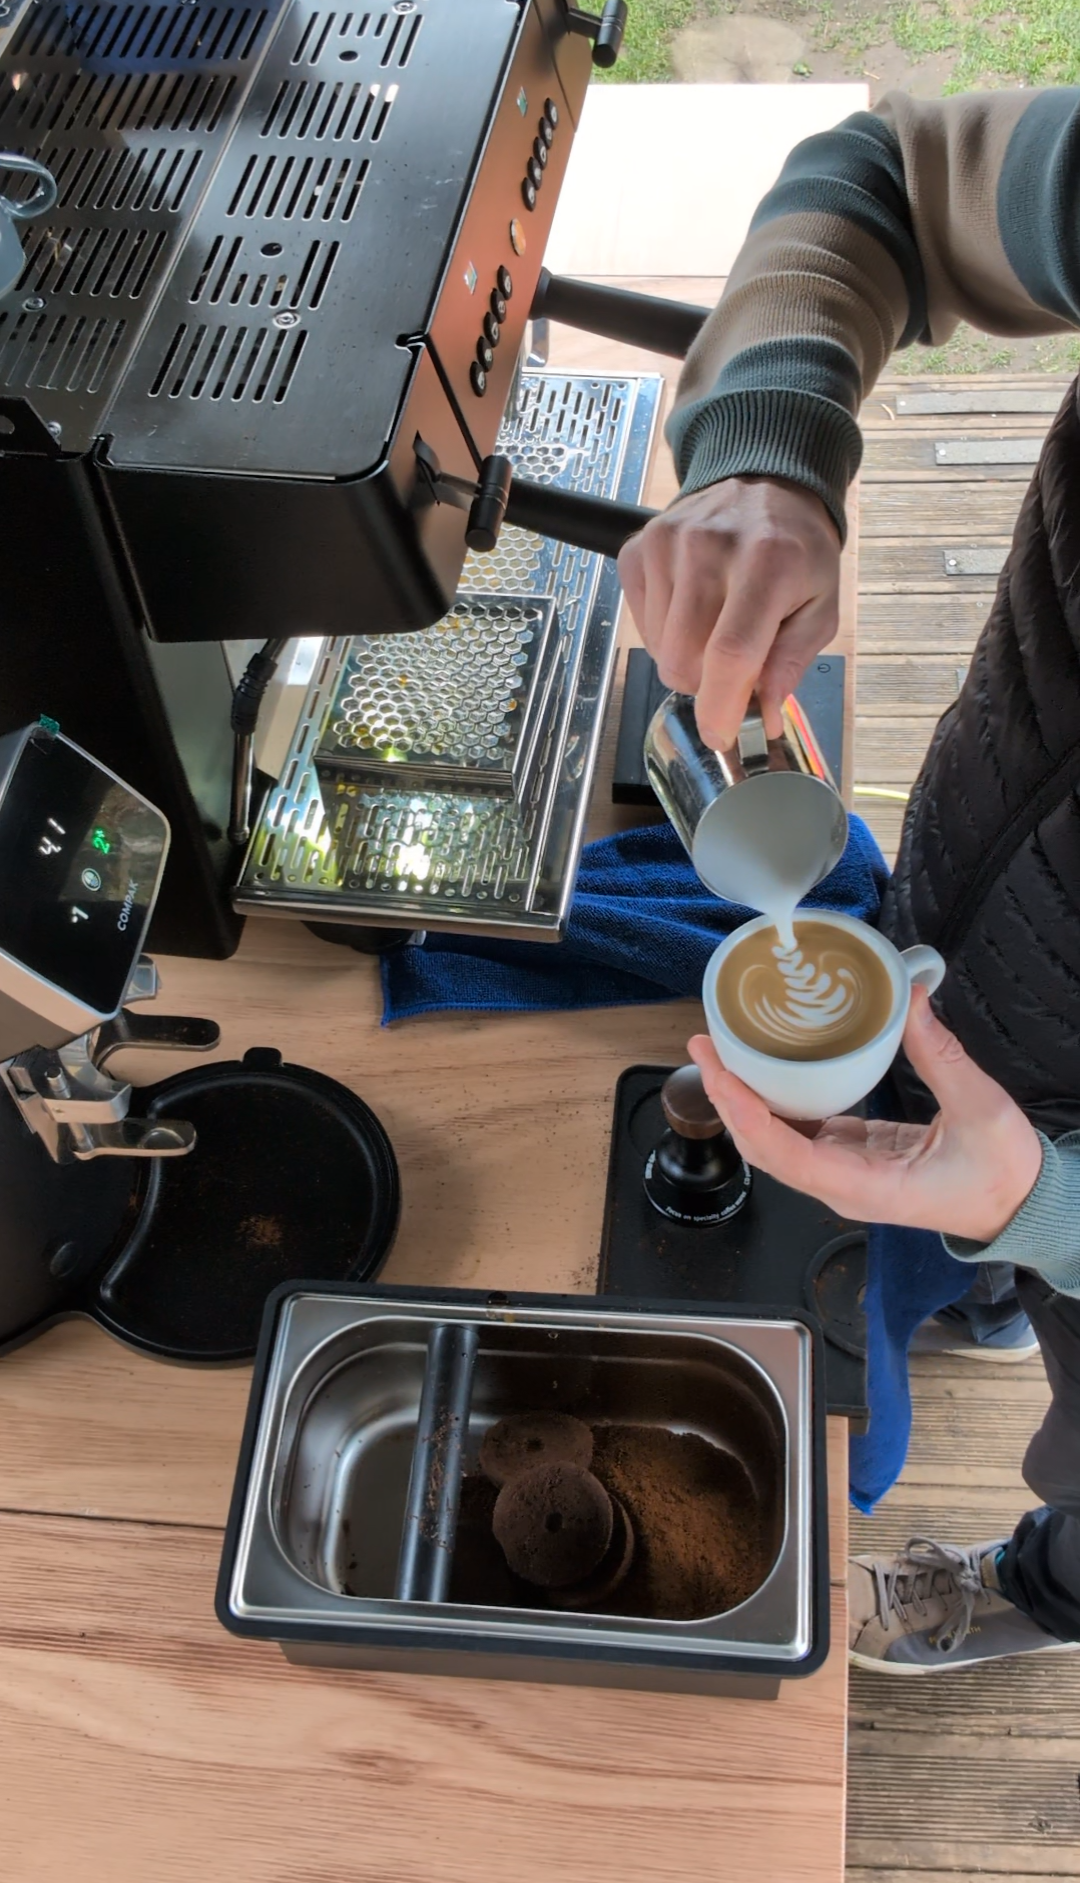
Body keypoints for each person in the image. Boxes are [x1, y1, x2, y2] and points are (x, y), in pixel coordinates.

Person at [617, 87, 1080, 1672]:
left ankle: (1051, 1581)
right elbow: (880, 178)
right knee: (990, 1223)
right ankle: (994, 1281)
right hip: (976, 911)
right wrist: (768, 447)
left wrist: (1056, 1203)